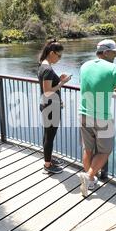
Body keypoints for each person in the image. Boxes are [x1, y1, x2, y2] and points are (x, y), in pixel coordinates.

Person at [78, 39, 116, 197]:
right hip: (102, 117)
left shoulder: (85, 65)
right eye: (114, 52)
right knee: (105, 150)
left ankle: (90, 181)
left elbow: (89, 85)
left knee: (88, 148)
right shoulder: (113, 69)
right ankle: (89, 176)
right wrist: (112, 88)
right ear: (106, 52)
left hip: (84, 113)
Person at [37, 39, 71, 174]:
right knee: (49, 136)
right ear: (52, 53)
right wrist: (62, 82)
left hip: (47, 105)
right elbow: (48, 91)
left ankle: (48, 159)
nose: (60, 58)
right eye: (59, 55)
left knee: (47, 134)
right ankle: (47, 165)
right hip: (51, 107)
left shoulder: (42, 65)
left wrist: (58, 79)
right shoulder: (48, 69)